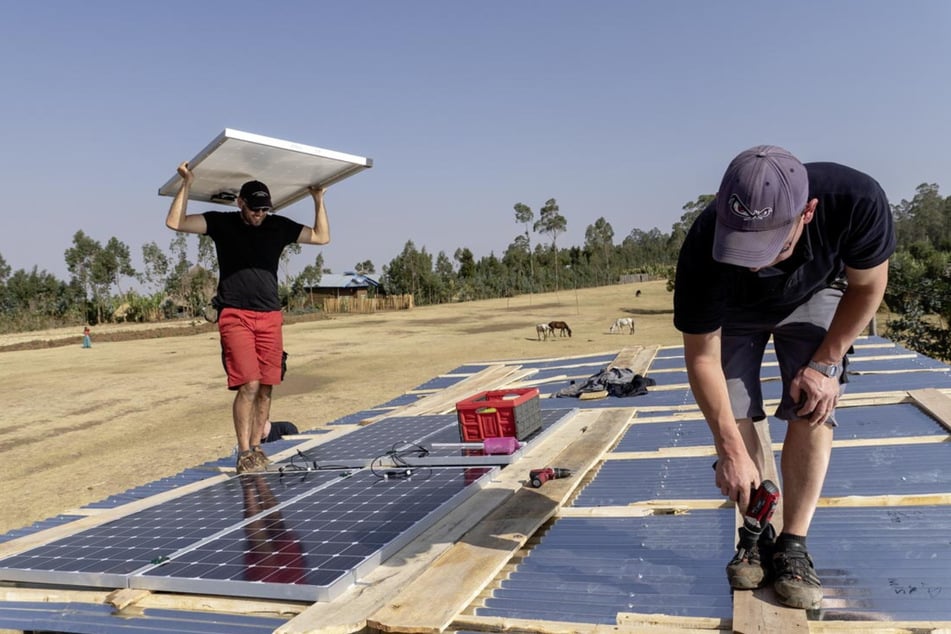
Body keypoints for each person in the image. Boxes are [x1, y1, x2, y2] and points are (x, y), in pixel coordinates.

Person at [673, 145, 895, 609]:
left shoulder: (855, 199)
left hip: (812, 294)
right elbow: (702, 358)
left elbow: (868, 286)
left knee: (814, 403)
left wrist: (827, 363)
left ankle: (793, 544)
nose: (754, 263)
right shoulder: (703, 244)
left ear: (807, 213)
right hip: (734, 313)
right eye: (742, 248)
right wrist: (730, 451)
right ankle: (756, 534)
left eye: (770, 246)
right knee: (732, 415)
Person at [165, 161, 330, 474]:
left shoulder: (278, 226)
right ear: (240, 203)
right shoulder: (222, 223)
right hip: (235, 314)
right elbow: (176, 222)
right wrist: (186, 183)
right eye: (254, 209)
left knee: (267, 386)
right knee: (249, 384)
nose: (259, 214)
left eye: (264, 209)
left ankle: (256, 448)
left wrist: (318, 199)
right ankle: (243, 452)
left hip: (270, 316)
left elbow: (321, 237)